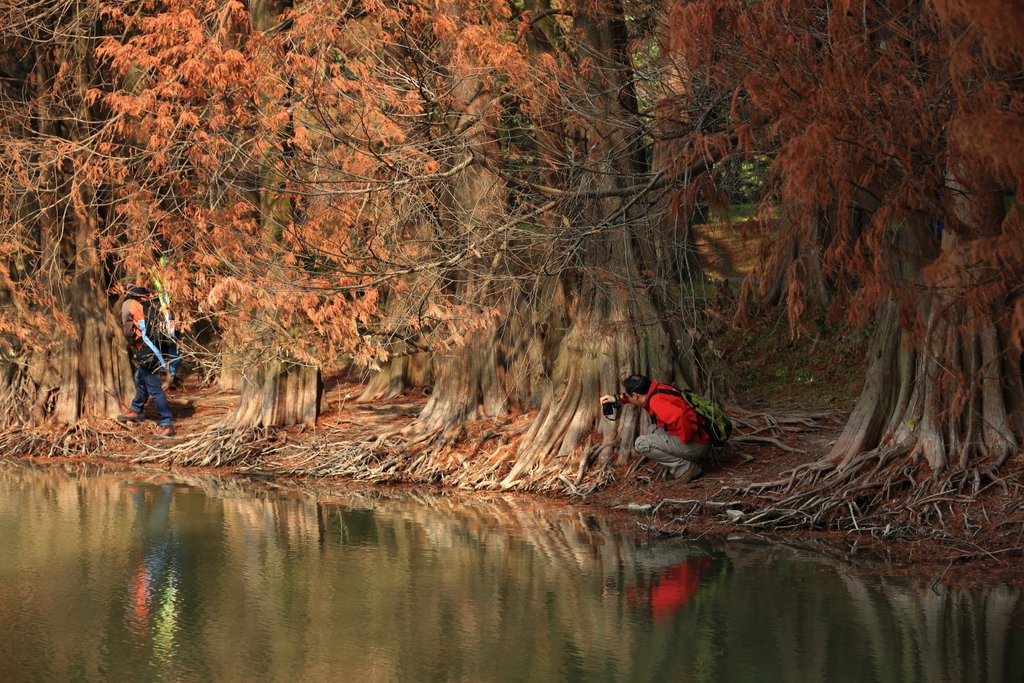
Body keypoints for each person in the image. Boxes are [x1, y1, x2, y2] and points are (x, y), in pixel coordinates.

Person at [600, 373, 709, 481]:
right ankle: (686, 456)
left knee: (641, 443)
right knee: (653, 429)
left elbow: (680, 417)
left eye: (629, 395)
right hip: (702, 436)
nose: (628, 397)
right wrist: (618, 399)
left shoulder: (657, 402)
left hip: (697, 445)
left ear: (635, 395)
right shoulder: (656, 389)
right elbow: (635, 398)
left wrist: (684, 441)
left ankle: (686, 469)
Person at [118, 285, 175, 438]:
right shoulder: (151, 304)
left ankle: (166, 423)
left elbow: (128, 330)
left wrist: (132, 342)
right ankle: (137, 409)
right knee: (140, 378)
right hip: (158, 347)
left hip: (147, 349)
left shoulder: (128, 304)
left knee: (154, 387)